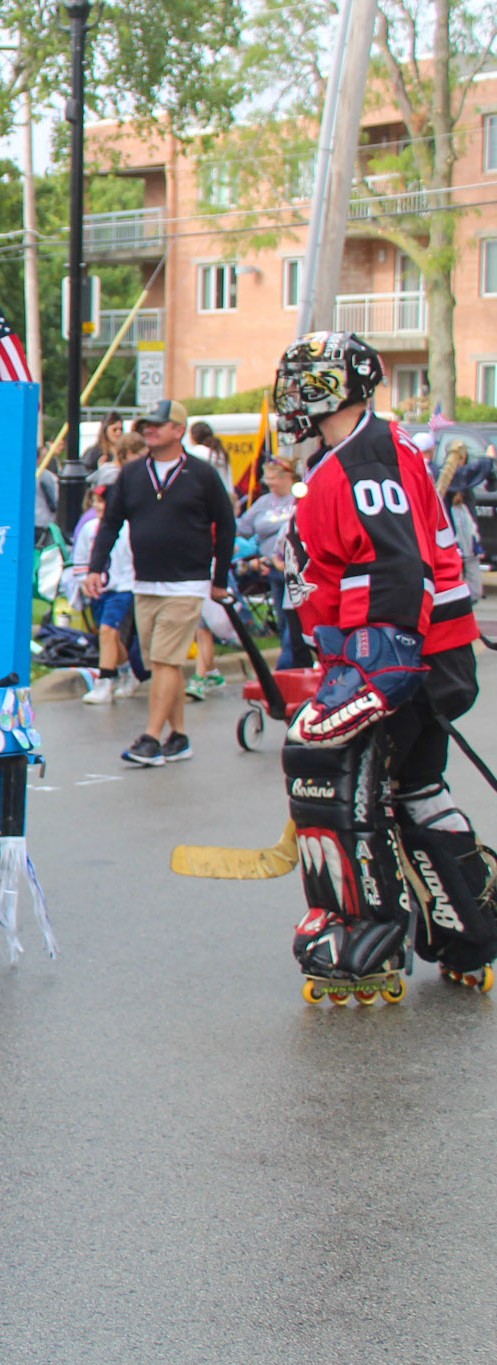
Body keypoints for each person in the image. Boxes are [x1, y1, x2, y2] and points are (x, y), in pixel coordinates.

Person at [272, 331, 497, 996]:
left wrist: (376, 665)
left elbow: (396, 565)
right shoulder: (366, 450)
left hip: (401, 652)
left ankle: (363, 937)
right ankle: (470, 932)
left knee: (337, 779)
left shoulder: (365, 460)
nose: (291, 396)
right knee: (419, 787)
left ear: (334, 387)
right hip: (426, 651)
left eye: (304, 383)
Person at [84, 398, 236, 768]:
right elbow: (111, 522)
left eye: (158, 424)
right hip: (146, 582)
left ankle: (150, 738)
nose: (149, 429)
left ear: (179, 430)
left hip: (188, 584)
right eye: (146, 425)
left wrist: (218, 580)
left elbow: (226, 525)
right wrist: (95, 567)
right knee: (159, 662)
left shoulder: (201, 474)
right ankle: (179, 736)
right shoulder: (133, 474)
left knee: (166, 660)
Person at [71, 466, 142, 704]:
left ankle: (104, 682)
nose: (101, 507)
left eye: (106, 502)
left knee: (107, 632)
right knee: (109, 638)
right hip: (98, 591)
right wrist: (84, 582)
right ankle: (126, 671)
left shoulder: (129, 529)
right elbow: (80, 560)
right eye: (98, 502)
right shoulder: (89, 530)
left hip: (121, 589)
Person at [234, 456, 306, 669]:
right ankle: (294, 667)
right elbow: (243, 528)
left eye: (272, 477)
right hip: (273, 569)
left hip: (298, 568)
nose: (267, 482)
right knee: (284, 620)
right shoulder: (264, 502)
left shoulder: (300, 497)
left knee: (297, 619)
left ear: (287, 477)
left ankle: (287, 666)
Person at [435, 434, 490, 602]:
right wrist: (488, 459)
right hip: (450, 538)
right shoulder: (445, 474)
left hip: (466, 539)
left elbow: (485, 478)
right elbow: (465, 474)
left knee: (472, 578)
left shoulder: (464, 479)